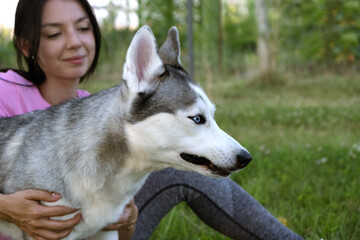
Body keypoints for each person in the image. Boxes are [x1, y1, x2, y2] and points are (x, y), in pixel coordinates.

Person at [0, 0, 304, 240]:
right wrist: (5, 208)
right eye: (55, 33)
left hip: (87, 228)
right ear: (27, 46)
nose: (75, 43)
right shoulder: (4, 92)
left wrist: (127, 219)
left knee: (178, 169)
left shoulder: (95, 109)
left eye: (83, 28)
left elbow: (120, 234)